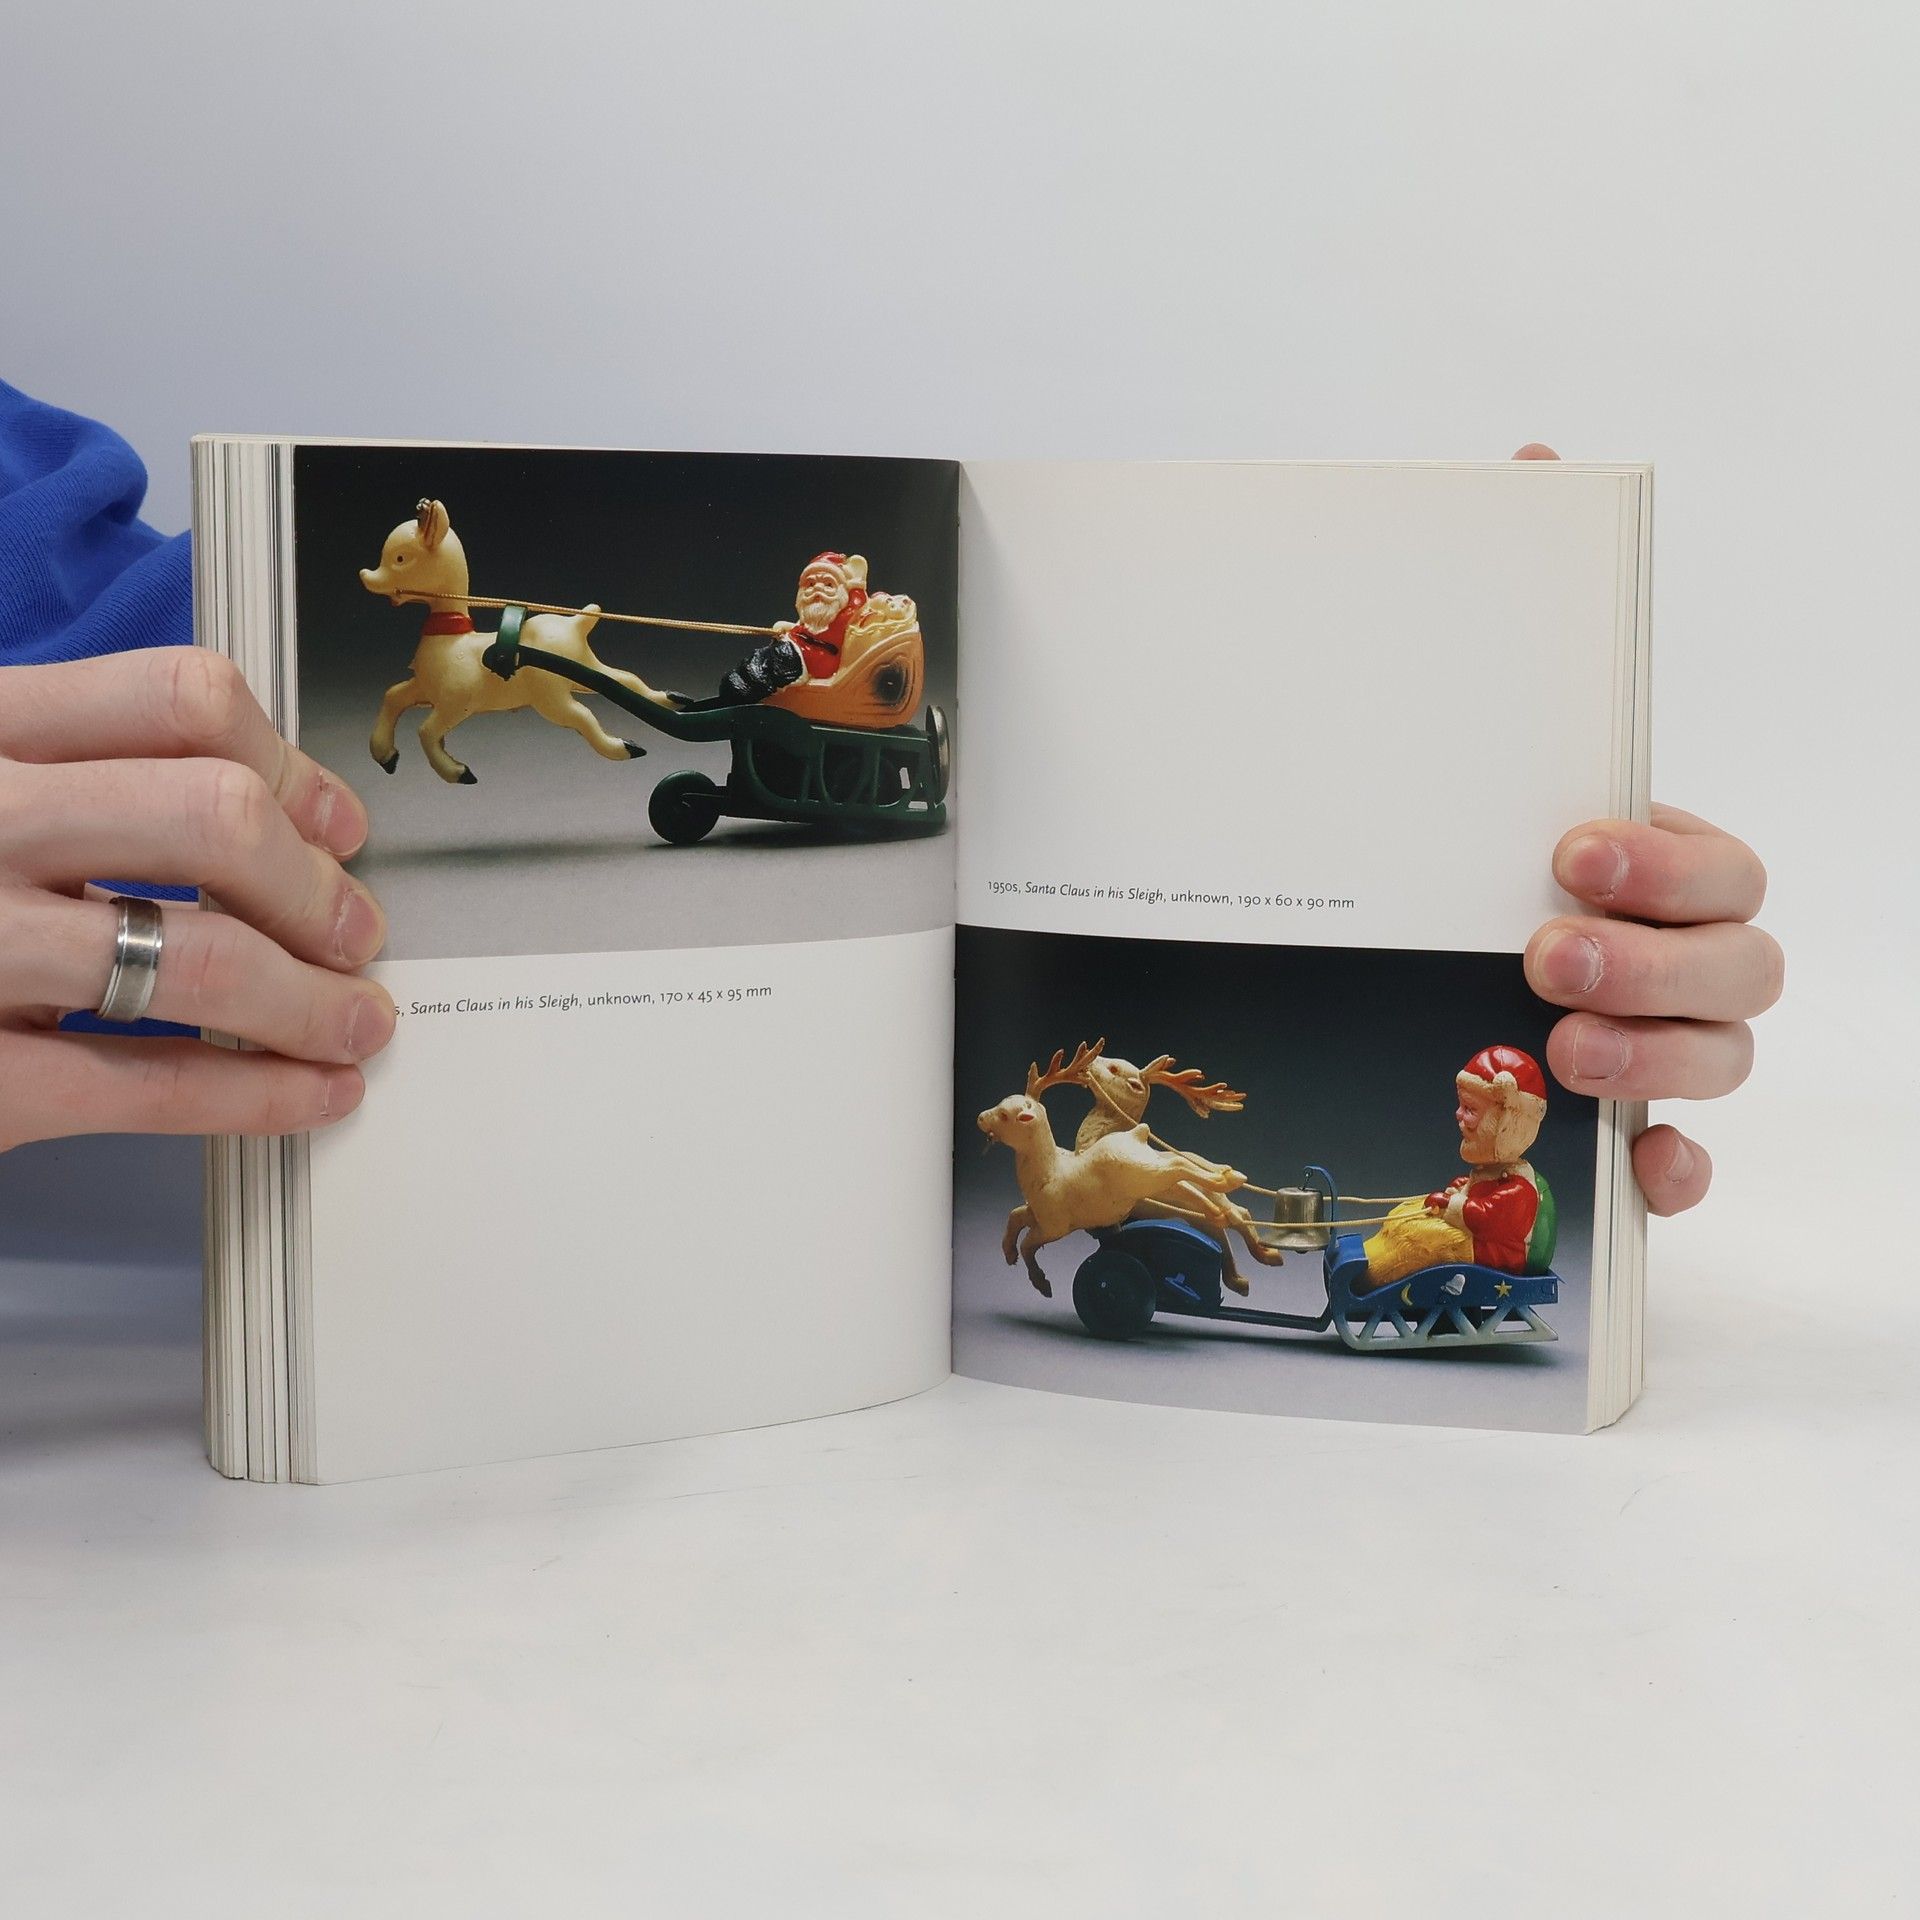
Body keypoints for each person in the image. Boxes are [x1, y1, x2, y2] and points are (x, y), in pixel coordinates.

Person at [0, 385, 1783, 1216]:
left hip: (832, 721)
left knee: (730, 702)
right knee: (714, 702)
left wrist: (1406, 765)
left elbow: (101, 625)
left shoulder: (859, 634)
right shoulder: (822, 633)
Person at [670, 550, 873, 710]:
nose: (817, 589)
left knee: (771, 663)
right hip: (800, 650)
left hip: (817, 659)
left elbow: (851, 605)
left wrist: (856, 582)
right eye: (810, 584)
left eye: (828, 584)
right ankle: (731, 692)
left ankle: (739, 693)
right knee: (761, 658)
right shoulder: (816, 615)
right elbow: (809, 629)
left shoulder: (848, 611)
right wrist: (790, 629)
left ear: (843, 590)